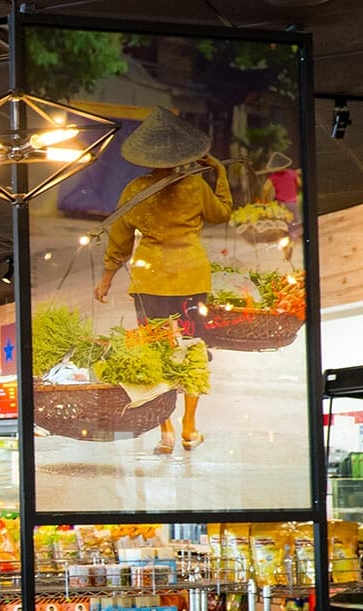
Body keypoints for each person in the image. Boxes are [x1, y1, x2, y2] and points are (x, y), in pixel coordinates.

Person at [94, 106, 231, 454]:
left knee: (155, 353)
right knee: (192, 349)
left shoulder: (134, 191)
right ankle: (190, 427)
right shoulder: (196, 185)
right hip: (191, 280)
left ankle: (165, 432)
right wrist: (219, 173)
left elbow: (120, 239)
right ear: (181, 153)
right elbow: (221, 213)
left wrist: (107, 277)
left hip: (149, 283)